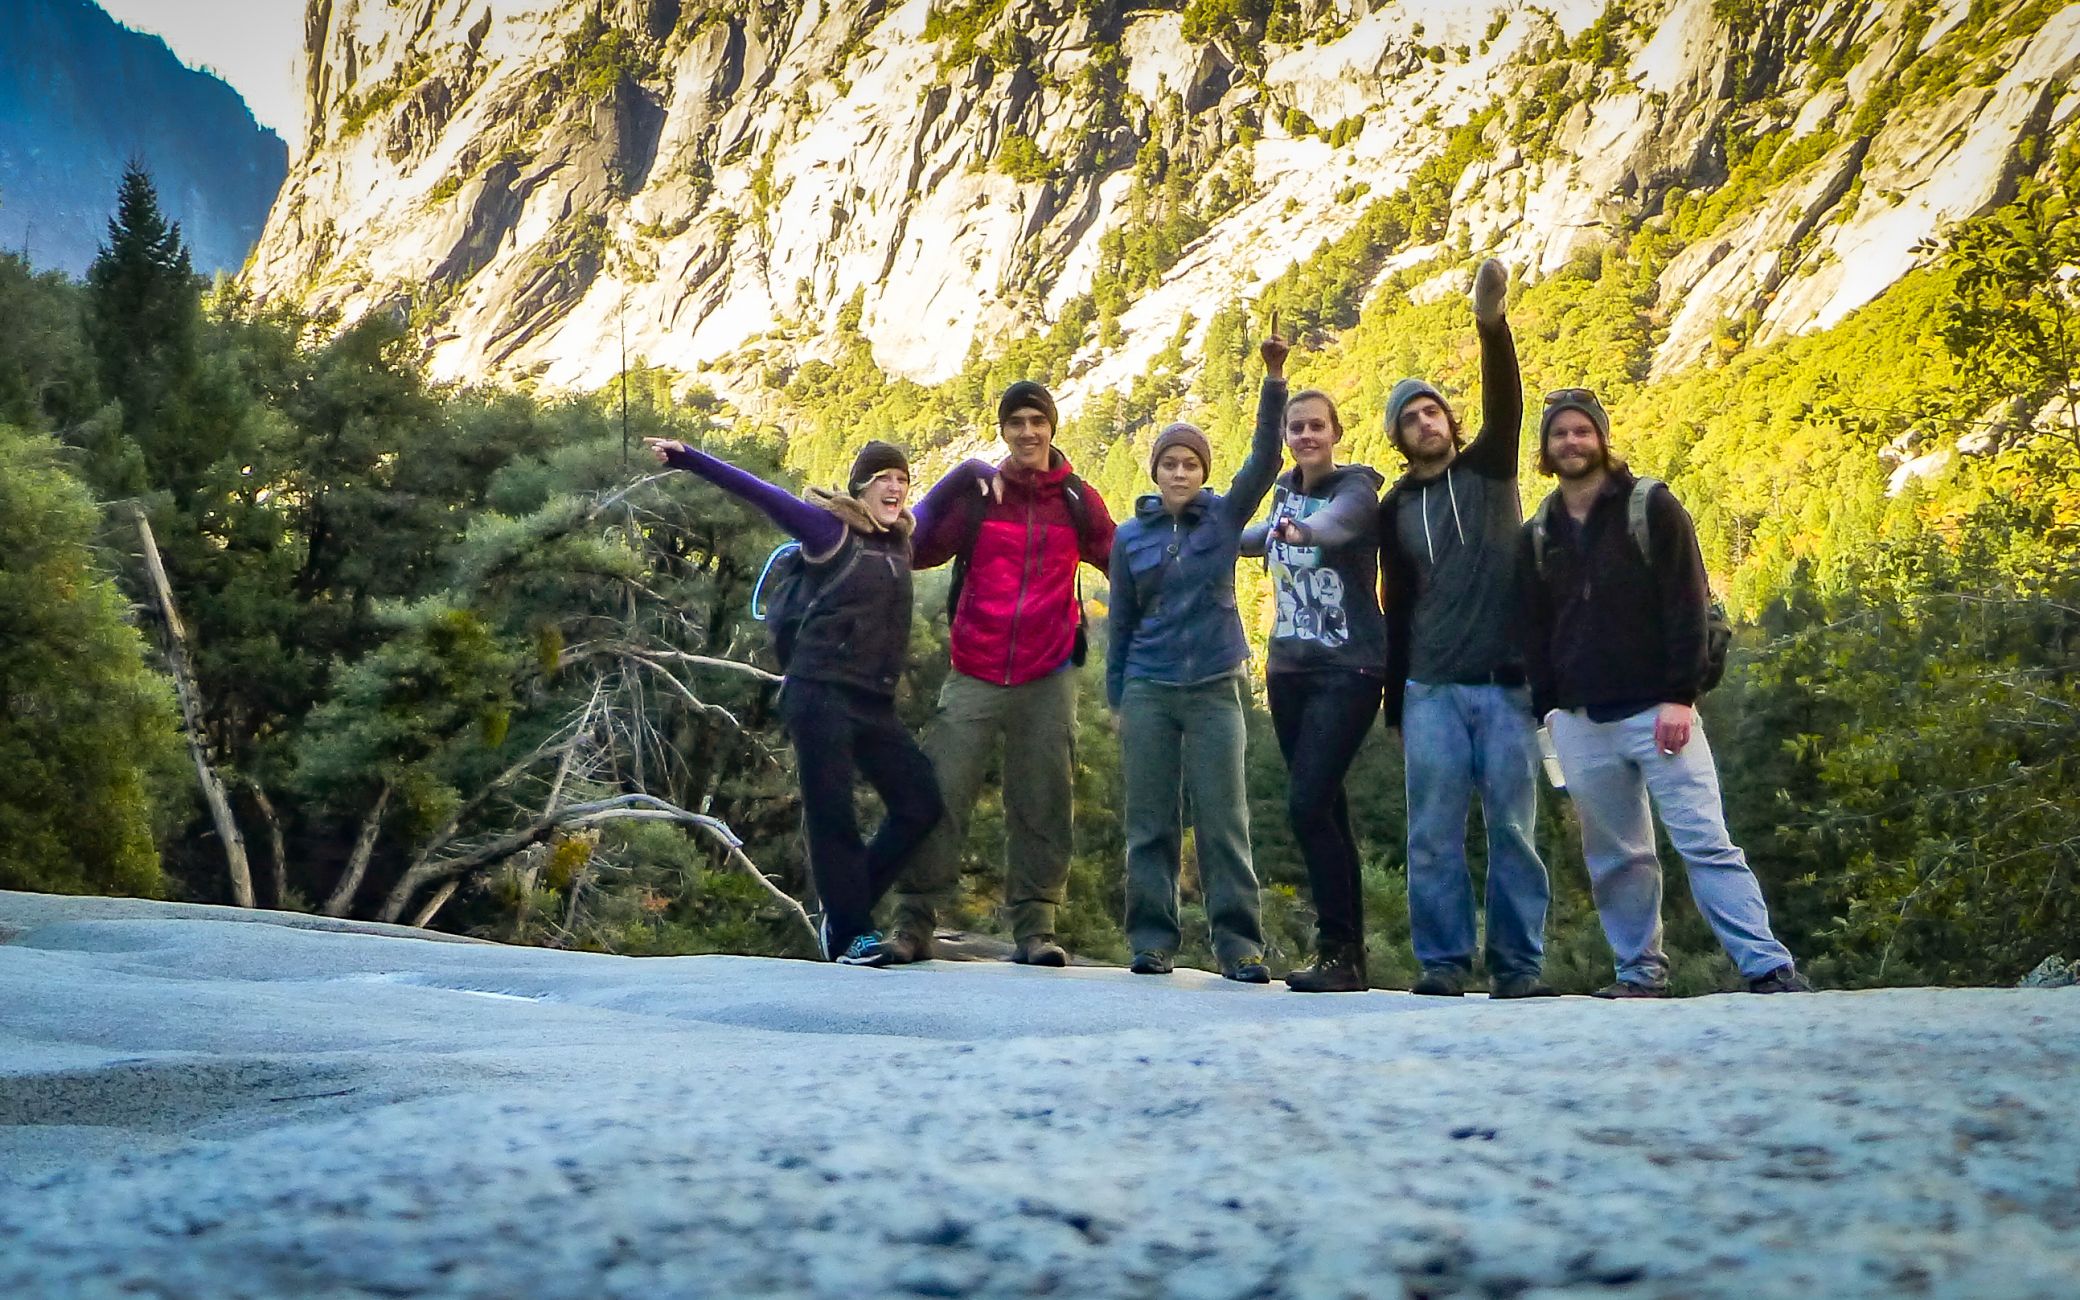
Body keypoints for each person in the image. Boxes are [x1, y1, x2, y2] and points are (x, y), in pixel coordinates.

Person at [1516, 389, 1811, 997]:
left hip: (1659, 711)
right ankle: (1639, 975)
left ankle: (1767, 967)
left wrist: (1682, 695)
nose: (1571, 443)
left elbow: (1686, 602)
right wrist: (1547, 706)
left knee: (1705, 842)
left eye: (1582, 432)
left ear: (1601, 438)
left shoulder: (1650, 506)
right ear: (1545, 449)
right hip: (1579, 719)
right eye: (1559, 435)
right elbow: (1533, 627)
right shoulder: (1540, 530)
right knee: (1618, 859)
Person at [645, 435, 944, 968]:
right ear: (862, 487)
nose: (895, 487)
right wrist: (690, 458)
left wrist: (976, 469)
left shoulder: (901, 538)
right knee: (833, 815)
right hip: (818, 691)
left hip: (873, 701)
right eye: (884, 479)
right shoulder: (830, 530)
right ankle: (851, 934)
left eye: (902, 478)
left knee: (921, 804)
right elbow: (761, 493)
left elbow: (954, 488)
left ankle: (846, 910)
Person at [885, 381, 1117, 966]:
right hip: (975, 666)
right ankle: (914, 924)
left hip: (1049, 670)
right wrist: (961, 474)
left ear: (1052, 427)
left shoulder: (1078, 501)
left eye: (1037, 421)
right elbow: (917, 547)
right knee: (942, 790)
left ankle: (1035, 930)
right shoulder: (981, 495)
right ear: (1003, 430)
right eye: (1016, 422)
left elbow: (1122, 562)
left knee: (1043, 797)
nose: (1027, 433)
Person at [1376, 260, 1554, 1000]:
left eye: (1433, 410)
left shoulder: (1489, 468)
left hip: (1507, 686)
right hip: (1431, 688)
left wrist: (1491, 323)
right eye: (1410, 416)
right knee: (1433, 835)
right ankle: (1444, 962)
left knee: (1513, 832)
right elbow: (1396, 602)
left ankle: (1518, 968)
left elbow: (1505, 401)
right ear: (1398, 436)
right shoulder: (1392, 509)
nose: (1425, 421)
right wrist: (1394, 698)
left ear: (1450, 422)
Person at [1107, 322, 1288, 982]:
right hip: (1150, 690)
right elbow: (1120, 624)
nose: (1180, 471)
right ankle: (1152, 941)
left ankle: (1239, 946)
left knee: (1223, 822)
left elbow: (1265, 462)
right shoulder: (1129, 538)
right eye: (1170, 463)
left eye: (1190, 464)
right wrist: (1117, 700)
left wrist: (1272, 380)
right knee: (1149, 822)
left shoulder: (1223, 519)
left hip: (1216, 687)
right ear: (1154, 471)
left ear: (1202, 473)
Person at [1240, 367, 1389, 993]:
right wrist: (1198, 521)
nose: (1305, 435)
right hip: (1290, 669)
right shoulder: (1282, 491)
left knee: (1306, 806)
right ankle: (1347, 957)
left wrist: (1308, 530)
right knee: (1326, 807)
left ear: (1335, 433)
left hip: (1349, 667)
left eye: (1315, 426)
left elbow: (1340, 524)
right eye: (1295, 427)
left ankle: (1337, 948)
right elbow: (1256, 540)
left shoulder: (1355, 488)